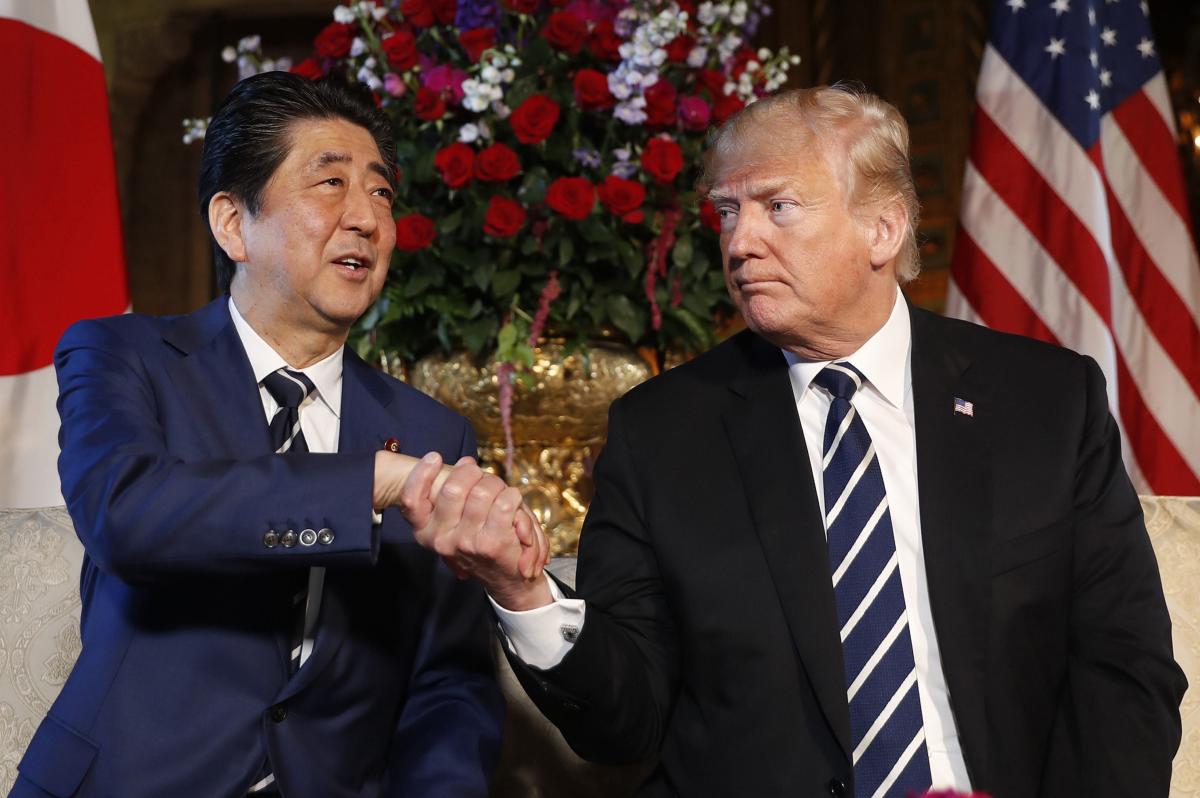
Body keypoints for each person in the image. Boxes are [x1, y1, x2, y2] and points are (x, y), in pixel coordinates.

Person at [407, 85, 1188, 797]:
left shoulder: (1046, 402)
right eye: (725, 213)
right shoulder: (662, 432)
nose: (740, 244)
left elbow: (1125, 669)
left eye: (777, 208)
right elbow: (624, 723)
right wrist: (525, 595)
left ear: (883, 229)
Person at [12, 72, 544, 798]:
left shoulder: (431, 431)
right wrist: (372, 483)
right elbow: (127, 516)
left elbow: (447, 683)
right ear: (233, 223)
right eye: (330, 184)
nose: (365, 218)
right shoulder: (122, 358)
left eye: (382, 192)